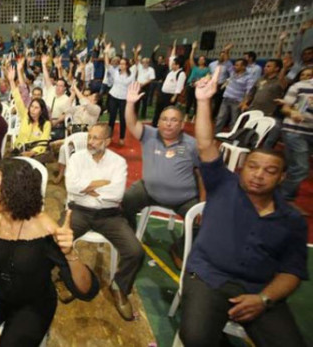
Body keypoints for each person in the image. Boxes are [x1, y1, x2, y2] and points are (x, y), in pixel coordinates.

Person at [179, 66, 308, 346]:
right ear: (241, 167)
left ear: (282, 177)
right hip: (208, 278)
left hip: (258, 288)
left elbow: (292, 271)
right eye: (253, 166)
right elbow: (205, 144)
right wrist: (203, 102)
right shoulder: (223, 185)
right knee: (196, 338)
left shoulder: (292, 220)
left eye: (269, 170)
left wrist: (264, 299)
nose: (259, 175)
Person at [0, 159, 99, 346]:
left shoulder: (45, 229)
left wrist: (70, 253)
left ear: (16, 190)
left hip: (33, 305)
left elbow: (85, 291)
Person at [65, 123, 144, 320]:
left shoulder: (118, 162)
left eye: (95, 138)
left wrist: (87, 189)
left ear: (107, 141)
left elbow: (116, 195)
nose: (90, 142)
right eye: (89, 137)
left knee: (135, 251)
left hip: (109, 216)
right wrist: (102, 185)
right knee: (56, 240)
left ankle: (119, 287)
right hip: (79, 211)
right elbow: (71, 187)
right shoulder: (77, 158)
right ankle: (67, 278)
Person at [122, 82, 203, 267]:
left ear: (182, 124)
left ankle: (178, 248)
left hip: (184, 198)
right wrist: (129, 104)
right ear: (158, 121)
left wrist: (203, 203)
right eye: (164, 119)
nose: (168, 123)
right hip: (148, 190)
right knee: (126, 201)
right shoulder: (149, 135)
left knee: (204, 221)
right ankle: (129, 238)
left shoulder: (192, 145)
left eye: (174, 120)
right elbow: (132, 123)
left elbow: (202, 175)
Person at [278, 73, 313, 214]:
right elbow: (285, 108)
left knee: (293, 166)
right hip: (295, 130)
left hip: (310, 132)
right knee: (301, 167)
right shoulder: (301, 86)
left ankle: (275, 193)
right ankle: (284, 200)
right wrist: (292, 113)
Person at [8, 66, 52, 162]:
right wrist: (11, 81)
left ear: (41, 110)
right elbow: (18, 99)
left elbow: (43, 143)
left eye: (36, 108)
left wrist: (31, 153)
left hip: (35, 155)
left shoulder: (46, 124)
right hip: (19, 150)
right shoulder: (25, 116)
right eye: (31, 107)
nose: (32, 110)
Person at [214, 59, 256, 133]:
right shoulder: (232, 73)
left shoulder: (249, 77)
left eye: (237, 65)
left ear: (243, 67)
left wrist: (244, 102)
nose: (234, 66)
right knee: (220, 117)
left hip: (237, 101)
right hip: (226, 99)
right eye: (235, 64)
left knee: (234, 120)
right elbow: (227, 61)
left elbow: (249, 91)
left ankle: (232, 136)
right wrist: (227, 50)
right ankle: (215, 133)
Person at [153, 40, 186, 128]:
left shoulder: (181, 74)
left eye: (174, 64)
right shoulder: (171, 71)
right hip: (162, 93)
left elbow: (179, 87)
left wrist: (175, 96)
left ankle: (164, 126)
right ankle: (155, 124)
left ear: (178, 65)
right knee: (158, 110)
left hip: (170, 96)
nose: (172, 65)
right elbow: (172, 57)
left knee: (167, 112)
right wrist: (174, 47)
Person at [185, 41, 210, 120]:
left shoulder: (207, 70)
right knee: (189, 101)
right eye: (199, 59)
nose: (200, 60)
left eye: (202, 59)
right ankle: (186, 115)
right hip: (190, 85)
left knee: (196, 103)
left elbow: (207, 79)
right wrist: (193, 49)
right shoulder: (194, 67)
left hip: (199, 87)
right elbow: (191, 58)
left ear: (204, 61)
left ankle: (195, 116)